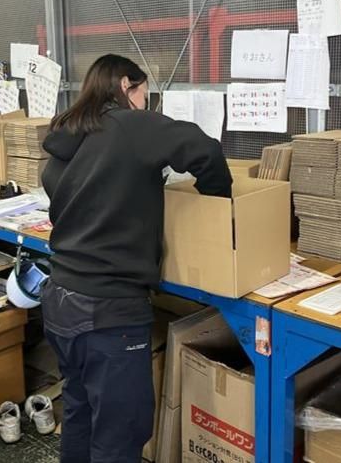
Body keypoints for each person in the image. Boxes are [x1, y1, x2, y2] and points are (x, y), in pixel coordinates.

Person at [41, 54, 232, 463]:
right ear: (128, 86)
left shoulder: (70, 132)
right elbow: (206, 151)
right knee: (120, 433)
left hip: (60, 298)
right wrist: (220, 211)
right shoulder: (130, 125)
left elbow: (60, 191)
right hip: (108, 309)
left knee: (80, 413)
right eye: (146, 92)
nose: (147, 102)